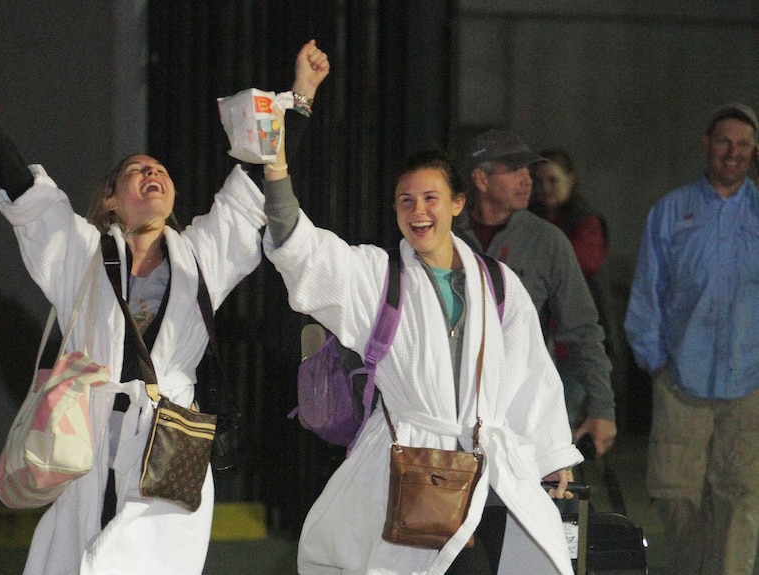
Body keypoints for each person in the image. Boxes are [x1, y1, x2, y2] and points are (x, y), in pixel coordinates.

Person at [0, 40, 329, 575]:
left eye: (162, 171)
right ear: (111, 201)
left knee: (150, 561)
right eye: (138, 171)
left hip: (173, 433)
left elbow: (258, 182)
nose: (154, 174)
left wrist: (301, 95)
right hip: (88, 434)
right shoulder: (81, 253)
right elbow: (22, 187)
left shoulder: (201, 254)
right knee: (75, 560)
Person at [261, 114, 583, 573]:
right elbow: (302, 249)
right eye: (405, 201)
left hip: (488, 471)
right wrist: (275, 169)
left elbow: (530, 373)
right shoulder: (378, 275)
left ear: (457, 203)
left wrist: (550, 456)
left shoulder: (497, 283)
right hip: (407, 467)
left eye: (431, 198)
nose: (418, 211)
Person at [624, 102, 759, 575]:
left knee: (740, 500)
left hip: (749, 386)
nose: (733, 152)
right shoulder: (671, 212)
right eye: (724, 141)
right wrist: (657, 363)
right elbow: (646, 295)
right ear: (706, 145)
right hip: (681, 381)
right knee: (676, 496)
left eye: (744, 144)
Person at [455, 130, 617, 458]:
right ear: (480, 179)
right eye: (514, 170)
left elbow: (583, 330)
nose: (527, 180)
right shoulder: (445, 234)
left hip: (525, 407)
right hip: (452, 404)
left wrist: (603, 409)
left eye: (527, 171)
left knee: (534, 502)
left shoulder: (547, 241)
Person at [529, 149, 622, 428]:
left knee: (562, 420)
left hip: (574, 343)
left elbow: (580, 264)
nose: (546, 188)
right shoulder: (531, 220)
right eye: (540, 181)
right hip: (542, 341)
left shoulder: (586, 221)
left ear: (571, 180)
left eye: (553, 180)